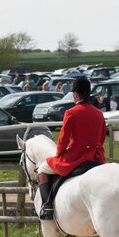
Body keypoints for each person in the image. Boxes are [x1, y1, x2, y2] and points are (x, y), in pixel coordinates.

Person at [35, 77, 106, 220]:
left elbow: (63, 140)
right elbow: (102, 138)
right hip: (96, 157)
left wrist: (59, 153)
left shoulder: (71, 113)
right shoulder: (99, 113)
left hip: (76, 158)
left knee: (42, 169)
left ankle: (47, 206)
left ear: (76, 94)